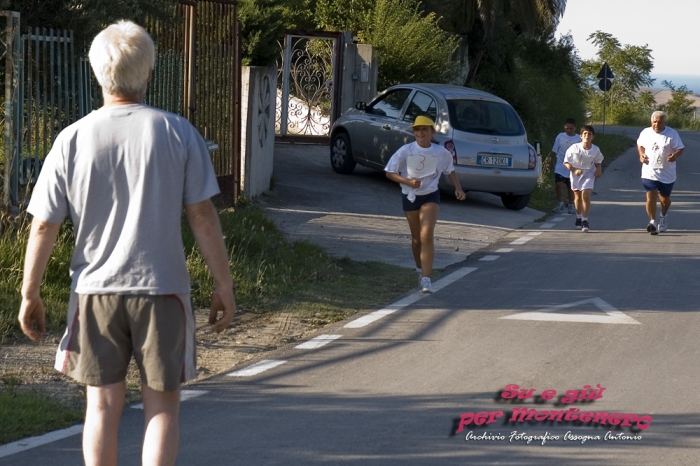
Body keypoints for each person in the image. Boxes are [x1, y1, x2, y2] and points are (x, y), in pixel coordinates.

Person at [18, 21, 236, 466]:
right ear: (150, 71)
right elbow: (203, 217)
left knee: (101, 406)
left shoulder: (72, 139)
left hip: (96, 292)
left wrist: (30, 291)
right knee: (162, 408)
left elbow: (43, 226)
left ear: (97, 73)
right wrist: (224, 284)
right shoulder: (178, 133)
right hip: (163, 289)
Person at [384, 115, 466, 293]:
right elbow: (389, 172)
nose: (420, 133)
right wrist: (407, 182)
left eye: (424, 129)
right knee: (416, 239)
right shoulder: (406, 151)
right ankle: (419, 269)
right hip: (410, 196)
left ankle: (427, 279)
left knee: (426, 234)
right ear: (414, 133)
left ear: (432, 132)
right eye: (417, 130)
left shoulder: (440, 152)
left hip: (430, 196)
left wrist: (458, 188)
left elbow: (450, 170)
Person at [637, 110, 685, 235]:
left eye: (659, 122)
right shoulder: (645, 132)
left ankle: (663, 216)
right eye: (654, 122)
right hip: (649, 171)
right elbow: (640, 144)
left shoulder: (672, 134)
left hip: (667, 173)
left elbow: (681, 148)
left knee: (664, 200)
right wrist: (641, 154)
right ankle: (652, 222)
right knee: (651, 194)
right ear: (651, 122)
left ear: (665, 123)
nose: (656, 125)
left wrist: (674, 155)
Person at [563, 125, 604, 232]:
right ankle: (578, 217)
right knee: (577, 197)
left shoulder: (595, 149)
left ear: (593, 137)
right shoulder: (574, 148)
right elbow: (566, 162)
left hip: (589, 175)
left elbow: (598, 160)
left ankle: (585, 221)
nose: (587, 136)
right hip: (576, 176)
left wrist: (599, 168)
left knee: (585, 195)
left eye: (589, 134)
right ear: (581, 136)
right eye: (585, 133)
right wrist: (573, 169)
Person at [549, 118, 581, 214]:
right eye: (567, 128)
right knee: (558, 184)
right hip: (560, 164)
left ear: (575, 128)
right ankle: (560, 203)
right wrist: (551, 162)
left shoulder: (578, 139)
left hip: (572, 166)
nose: (569, 131)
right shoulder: (560, 137)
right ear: (564, 127)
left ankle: (571, 205)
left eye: (571, 129)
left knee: (570, 186)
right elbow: (554, 150)